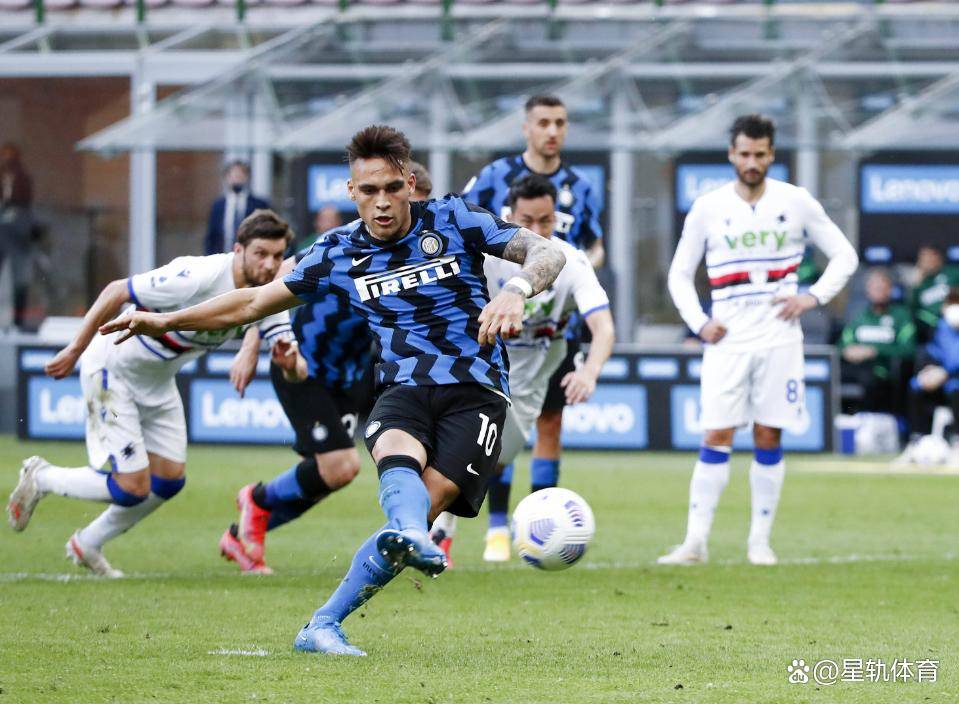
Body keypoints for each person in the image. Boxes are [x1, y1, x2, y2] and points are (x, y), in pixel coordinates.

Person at [98, 125, 566, 656]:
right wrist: (167, 320)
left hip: (477, 390)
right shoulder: (337, 250)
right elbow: (252, 302)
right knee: (397, 456)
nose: (382, 202)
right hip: (404, 386)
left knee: (426, 505)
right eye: (369, 190)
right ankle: (364, 584)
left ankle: (333, 611)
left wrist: (516, 289)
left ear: (410, 184)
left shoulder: (454, 218)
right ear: (351, 191)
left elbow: (547, 254)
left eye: (392, 188)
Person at [6, 210, 297, 577]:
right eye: (260, 253)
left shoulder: (268, 294)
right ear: (238, 250)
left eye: (277, 256)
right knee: (132, 487)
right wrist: (75, 349)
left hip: (158, 381)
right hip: (112, 371)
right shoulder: (198, 275)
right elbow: (116, 290)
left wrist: (289, 363)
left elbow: (291, 359)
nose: (269, 264)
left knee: (169, 480)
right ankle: (43, 477)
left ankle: (88, 542)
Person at [660, 113, 858, 566]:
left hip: (779, 340)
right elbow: (679, 273)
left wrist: (812, 297)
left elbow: (845, 255)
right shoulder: (708, 207)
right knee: (716, 433)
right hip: (726, 341)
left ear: (771, 154)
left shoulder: (796, 201)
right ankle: (695, 542)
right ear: (732, 154)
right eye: (744, 154)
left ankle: (759, 542)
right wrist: (698, 322)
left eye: (760, 154)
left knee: (769, 434)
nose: (752, 162)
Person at [218, 163, 435, 575]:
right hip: (302, 365)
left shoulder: (422, 253)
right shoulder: (343, 243)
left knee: (331, 475)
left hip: (353, 373)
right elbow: (274, 282)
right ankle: (257, 501)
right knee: (340, 465)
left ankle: (241, 532)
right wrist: (251, 342)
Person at [431, 174, 614, 563]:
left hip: (532, 376)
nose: (537, 230)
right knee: (458, 450)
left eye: (545, 221)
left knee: (494, 460)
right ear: (510, 216)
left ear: (556, 219)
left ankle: (482, 527)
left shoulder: (571, 262)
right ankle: (439, 536)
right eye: (527, 221)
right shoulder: (485, 257)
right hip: (480, 365)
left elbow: (604, 328)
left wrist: (589, 371)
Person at [462, 95, 605, 562]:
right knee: (495, 424)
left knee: (549, 422)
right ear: (526, 128)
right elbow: (461, 232)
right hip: (500, 320)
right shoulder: (494, 176)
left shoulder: (582, 186)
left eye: (560, 123)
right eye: (543, 122)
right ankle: (496, 529)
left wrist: (573, 271)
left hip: (554, 325)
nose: (552, 131)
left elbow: (594, 246)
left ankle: (538, 519)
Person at [838, 268, 915, 417]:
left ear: (890, 290)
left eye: (882, 287)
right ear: (867, 290)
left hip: (883, 371)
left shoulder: (901, 316)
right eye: (875, 287)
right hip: (855, 369)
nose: (878, 291)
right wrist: (847, 351)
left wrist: (874, 351)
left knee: (869, 378)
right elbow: (841, 345)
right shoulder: (858, 316)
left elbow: (908, 349)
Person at [898, 288, 959, 460]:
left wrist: (946, 373)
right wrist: (929, 369)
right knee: (916, 384)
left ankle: (957, 442)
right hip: (940, 378)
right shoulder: (940, 327)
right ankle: (916, 439)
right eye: (951, 304)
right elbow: (932, 352)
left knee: (956, 389)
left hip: (954, 379)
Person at [204, 161, 271, 255]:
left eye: (240, 176)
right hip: (223, 256)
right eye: (233, 176)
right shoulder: (218, 205)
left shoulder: (259, 204)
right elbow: (211, 236)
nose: (236, 179)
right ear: (227, 178)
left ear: (247, 177)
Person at [0, 143, 34, 328]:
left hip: (17, 232)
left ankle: (18, 320)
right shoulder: (2, 175)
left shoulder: (23, 178)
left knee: (19, 277)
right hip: (2, 231)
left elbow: (25, 202)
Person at [909, 244, 959, 343]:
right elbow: (913, 310)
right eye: (924, 259)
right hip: (932, 324)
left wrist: (950, 303)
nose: (928, 262)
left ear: (938, 258)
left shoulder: (952, 273)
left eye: (930, 257)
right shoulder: (919, 284)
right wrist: (915, 286)